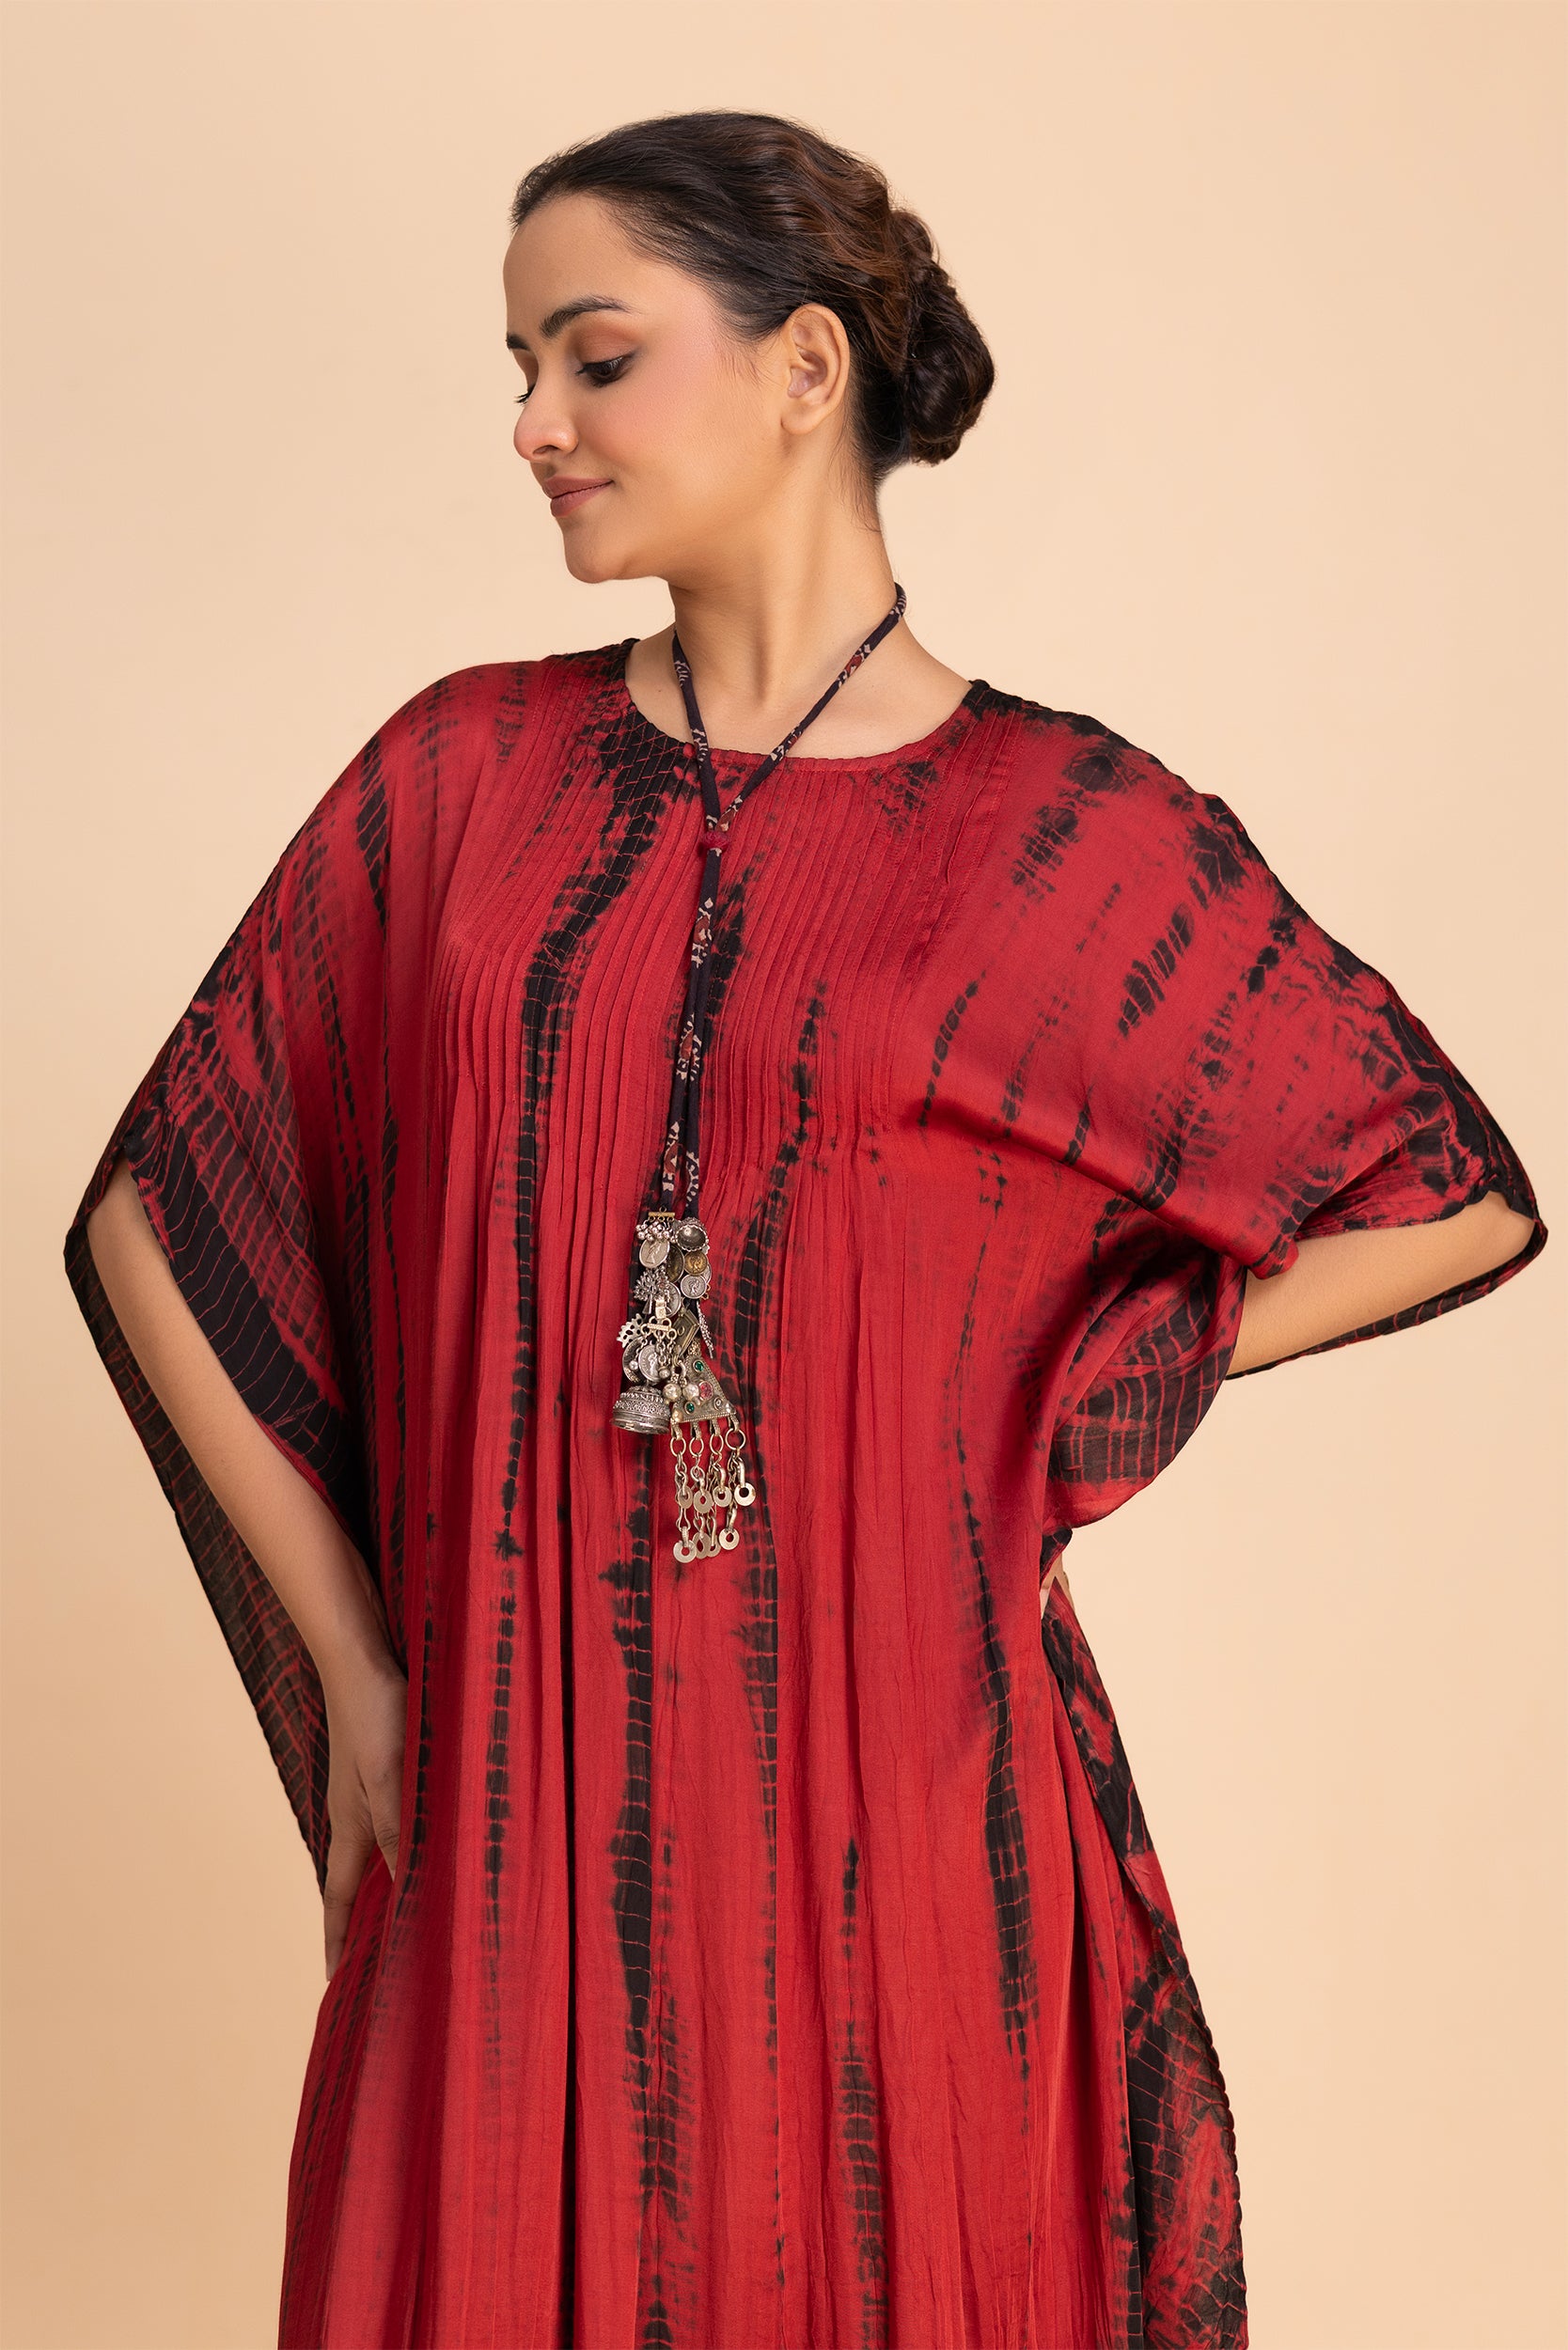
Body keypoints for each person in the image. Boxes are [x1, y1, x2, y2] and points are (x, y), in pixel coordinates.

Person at [64, 108, 1545, 2350]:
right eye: (520, 368)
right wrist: (362, 1672)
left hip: (902, 1806)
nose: (535, 423)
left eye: (593, 357)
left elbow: (1448, 1188)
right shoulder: (456, 777)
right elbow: (159, 1206)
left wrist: (1065, 1371)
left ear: (804, 367)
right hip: (517, 1807)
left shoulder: (1061, 832)